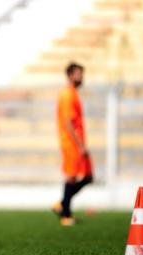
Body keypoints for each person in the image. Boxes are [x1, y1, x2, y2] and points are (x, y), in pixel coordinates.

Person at [52, 62, 93, 226]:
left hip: (75, 142)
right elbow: (68, 122)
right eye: (79, 74)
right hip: (71, 143)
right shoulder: (67, 94)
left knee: (88, 177)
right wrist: (80, 145)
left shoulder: (72, 93)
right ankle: (65, 215)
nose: (82, 77)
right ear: (70, 75)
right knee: (71, 177)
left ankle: (62, 204)